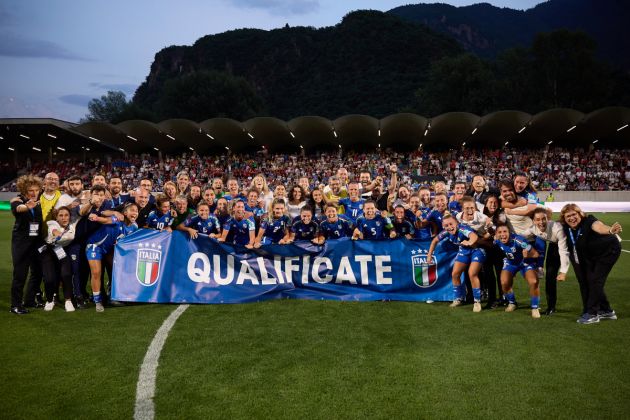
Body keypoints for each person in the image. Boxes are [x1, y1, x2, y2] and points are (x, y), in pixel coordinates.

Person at [560, 204, 622, 324]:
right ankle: (606, 310)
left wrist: (610, 230)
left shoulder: (589, 221)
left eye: (574, 214)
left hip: (608, 251)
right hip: (590, 255)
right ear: (564, 218)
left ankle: (592, 313)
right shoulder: (565, 228)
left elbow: (599, 227)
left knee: (595, 280)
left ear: (580, 214)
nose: (572, 218)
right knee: (586, 281)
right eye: (568, 216)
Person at [86, 203, 139, 312]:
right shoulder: (117, 219)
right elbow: (106, 220)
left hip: (110, 249)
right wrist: (96, 218)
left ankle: (114, 295)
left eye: (136, 211)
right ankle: (97, 301)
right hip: (95, 246)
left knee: (118, 270)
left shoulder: (134, 227)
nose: (135, 213)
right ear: (125, 213)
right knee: (96, 273)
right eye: (132, 210)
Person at [426, 215, 485, 312]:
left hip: (476, 250)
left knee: (472, 273)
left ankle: (477, 301)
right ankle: (458, 299)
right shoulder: (445, 232)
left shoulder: (462, 229)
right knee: (455, 274)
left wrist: (469, 242)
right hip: (464, 251)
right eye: (446, 225)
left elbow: (473, 236)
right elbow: (435, 241)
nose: (449, 227)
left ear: (457, 223)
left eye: (451, 224)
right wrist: (429, 255)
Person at [525, 208, 570, 315]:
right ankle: (551, 307)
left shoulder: (557, 228)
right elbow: (519, 237)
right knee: (550, 277)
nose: (541, 222)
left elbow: (563, 251)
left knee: (585, 276)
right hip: (555, 245)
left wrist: (563, 272)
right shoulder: (532, 229)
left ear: (547, 218)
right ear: (533, 221)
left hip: (572, 244)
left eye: (543, 219)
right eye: (538, 220)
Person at [9, 175, 44, 314]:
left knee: (37, 272)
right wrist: (26, 206)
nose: (34, 193)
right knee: (20, 274)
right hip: (21, 243)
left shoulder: (39, 201)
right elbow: (18, 209)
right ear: (24, 190)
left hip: (36, 242)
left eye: (36, 190)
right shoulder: (17, 200)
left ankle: (29, 300)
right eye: (31, 190)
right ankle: (15, 305)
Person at [493, 224, 542, 318]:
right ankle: (512, 303)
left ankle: (535, 307)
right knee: (504, 282)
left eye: (505, 231)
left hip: (525, 262)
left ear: (510, 233)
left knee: (534, 281)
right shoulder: (496, 241)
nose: (502, 234)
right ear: (496, 234)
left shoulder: (520, 241)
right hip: (510, 263)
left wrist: (527, 256)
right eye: (500, 232)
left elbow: (535, 254)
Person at [41, 206, 76, 312]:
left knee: (66, 274)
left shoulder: (72, 226)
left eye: (66, 215)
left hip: (61, 251)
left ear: (70, 217)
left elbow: (70, 237)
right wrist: (59, 234)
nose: (64, 218)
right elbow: (54, 230)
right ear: (56, 217)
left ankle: (68, 301)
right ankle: (49, 300)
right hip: (49, 251)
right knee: (49, 278)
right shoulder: (52, 223)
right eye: (60, 215)